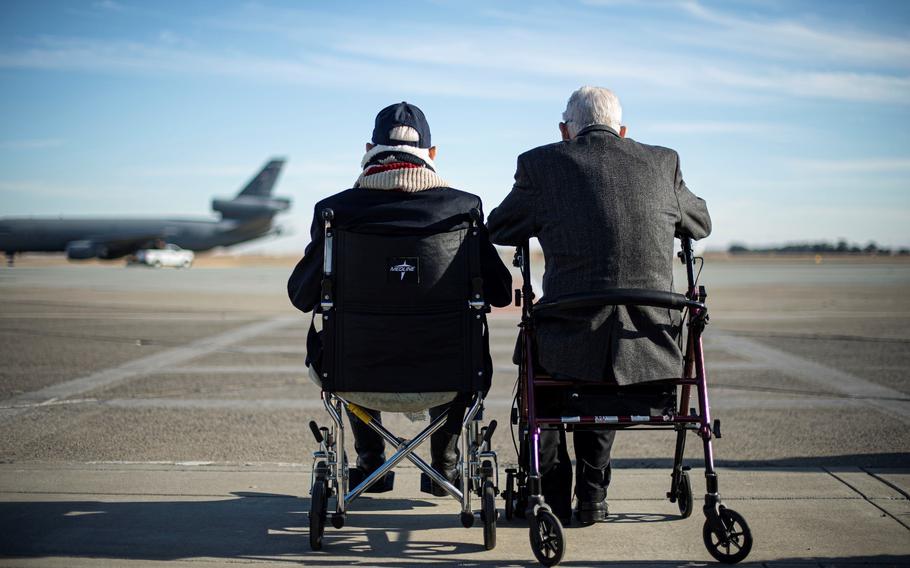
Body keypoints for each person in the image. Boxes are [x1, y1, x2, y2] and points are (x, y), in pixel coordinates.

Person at [487, 86, 711, 525]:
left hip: (567, 339)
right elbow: (700, 222)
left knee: (547, 369)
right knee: (607, 362)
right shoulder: (664, 162)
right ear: (623, 130)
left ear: (565, 130)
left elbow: (499, 226)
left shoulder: (540, 164)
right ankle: (592, 494)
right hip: (650, 346)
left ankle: (550, 494)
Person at [289, 101, 512, 495]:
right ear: (432, 154)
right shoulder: (465, 210)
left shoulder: (333, 212)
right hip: (449, 374)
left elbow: (300, 294)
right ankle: (445, 466)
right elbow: (498, 291)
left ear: (368, 149)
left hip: (355, 374)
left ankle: (370, 463)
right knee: (459, 345)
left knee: (352, 341)